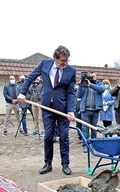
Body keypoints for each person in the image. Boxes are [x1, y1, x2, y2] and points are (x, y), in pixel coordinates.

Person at [17, 45, 76, 175]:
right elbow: (30, 77)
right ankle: (47, 163)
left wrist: (71, 110)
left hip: (63, 109)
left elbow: (71, 92)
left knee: (64, 137)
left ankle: (65, 164)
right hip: (47, 107)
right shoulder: (45, 64)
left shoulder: (71, 71)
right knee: (48, 136)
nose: (64, 63)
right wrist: (22, 93)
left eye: (67, 61)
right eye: (62, 61)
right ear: (55, 58)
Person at [77, 72, 106, 152]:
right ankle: (85, 145)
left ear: (96, 77)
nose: (91, 78)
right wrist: (80, 85)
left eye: (93, 76)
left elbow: (102, 89)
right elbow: (78, 95)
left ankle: (94, 145)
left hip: (95, 110)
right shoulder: (84, 84)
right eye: (90, 76)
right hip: (85, 110)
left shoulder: (98, 84)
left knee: (94, 128)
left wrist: (91, 85)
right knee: (85, 129)